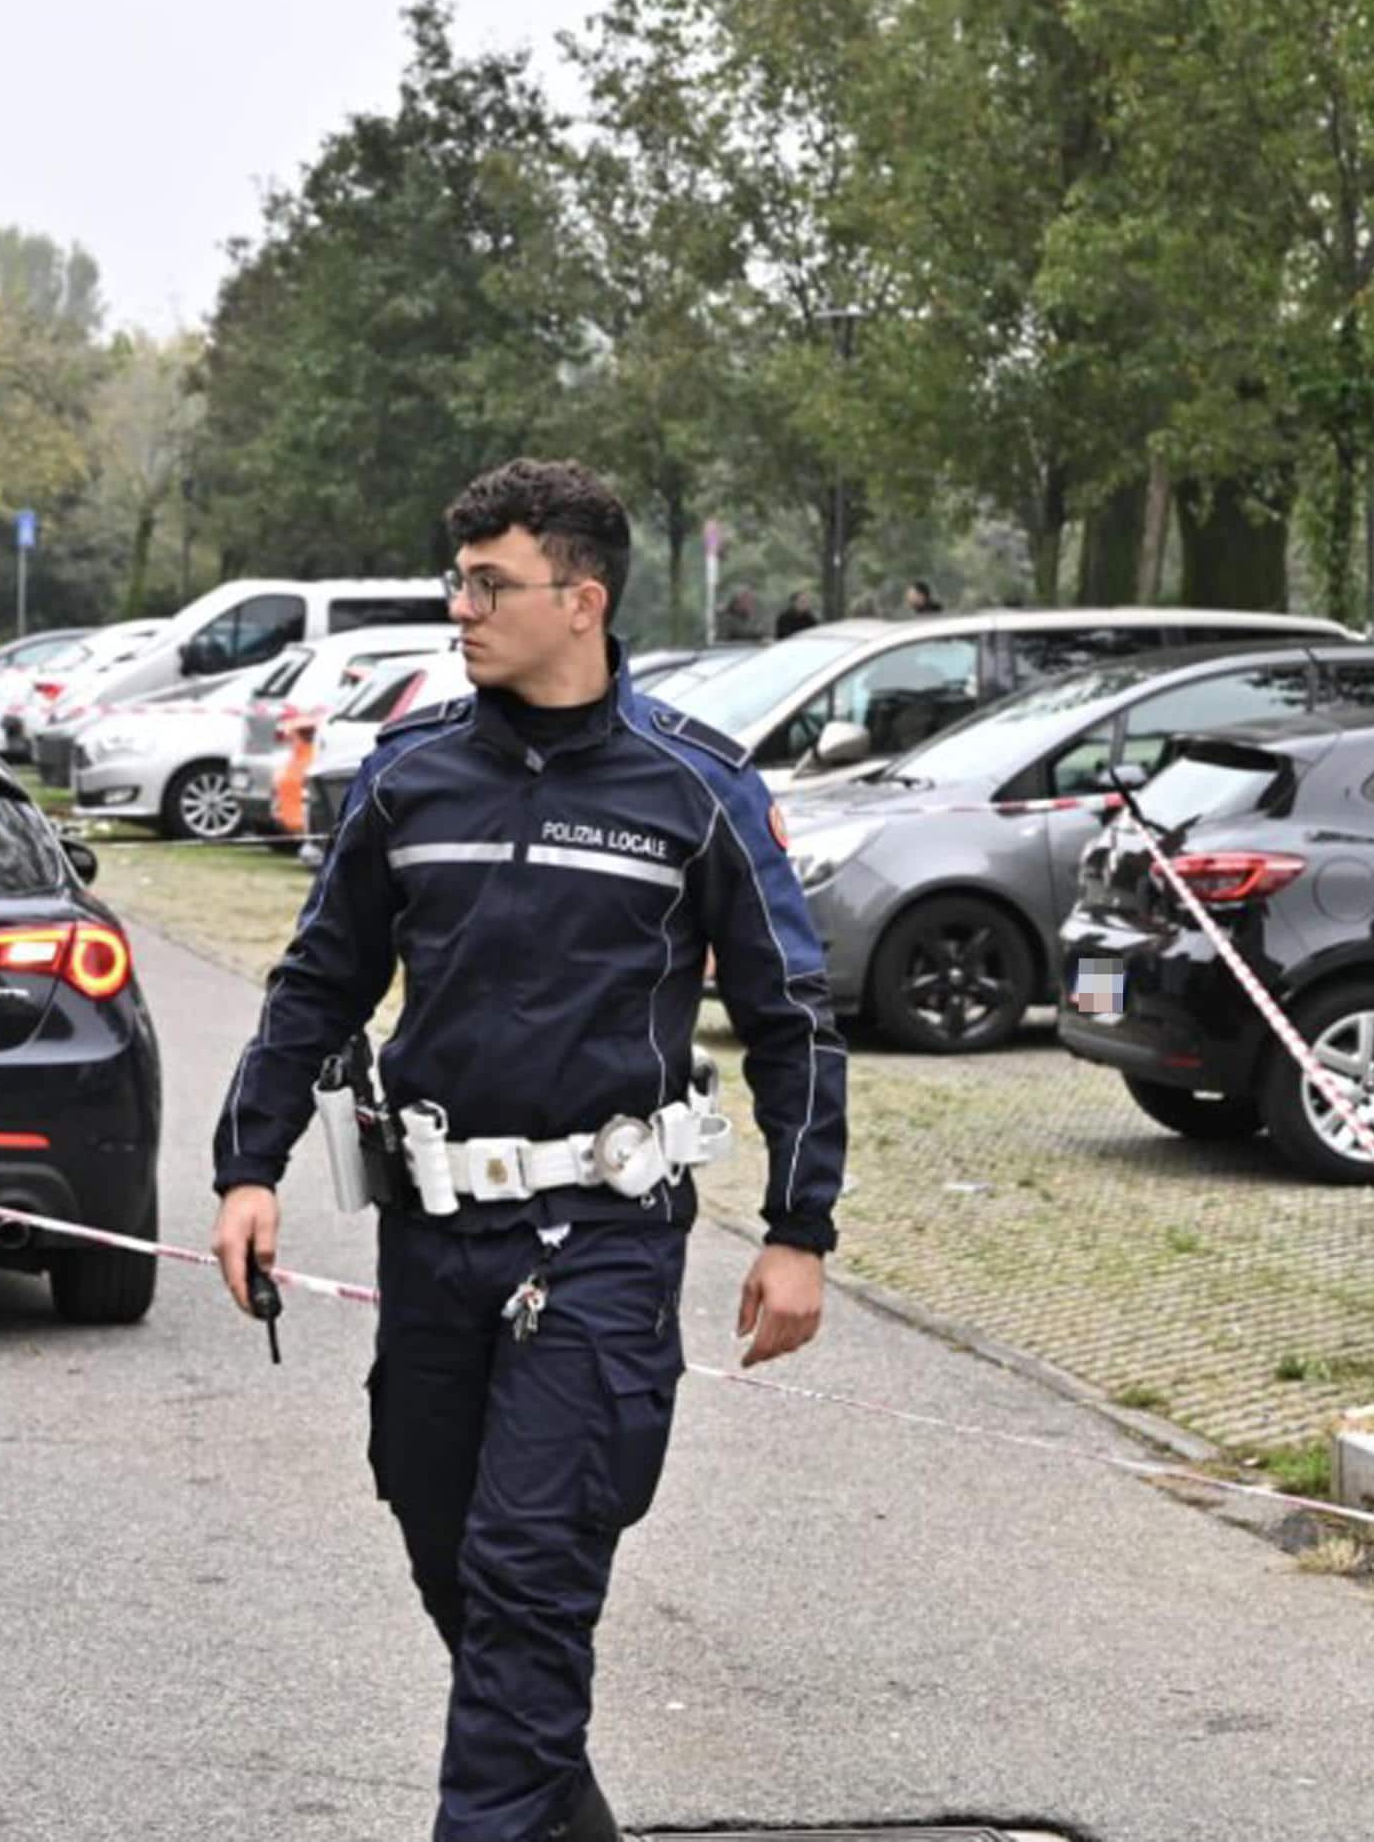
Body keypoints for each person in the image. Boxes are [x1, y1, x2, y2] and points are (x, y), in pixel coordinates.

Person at [210, 459, 845, 1842]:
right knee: (454, 1553)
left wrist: (801, 1230)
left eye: (490, 584)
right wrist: (246, 1168)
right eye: (459, 581)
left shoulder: (696, 786)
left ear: (584, 597)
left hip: (602, 1248)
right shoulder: (411, 778)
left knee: (525, 1573)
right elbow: (318, 984)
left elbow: (792, 1016)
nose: (462, 609)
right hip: (433, 1242)